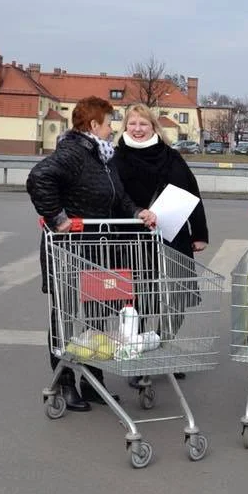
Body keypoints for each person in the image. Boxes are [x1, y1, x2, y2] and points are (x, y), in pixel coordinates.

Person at [26, 96, 157, 412]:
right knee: (66, 316)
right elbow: (38, 178)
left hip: (98, 251)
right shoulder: (72, 153)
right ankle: (65, 383)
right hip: (68, 252)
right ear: (93, 125)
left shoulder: (103, 156)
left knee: (98, 314)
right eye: (109, 122)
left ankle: (93, 382)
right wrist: (58, 219)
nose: (113, 128)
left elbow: (119, 198)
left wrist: (138, 212)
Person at [111, 103, 208, 386]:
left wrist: (199, 233)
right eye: (132, 124)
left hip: (173, 235)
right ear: (125, 127)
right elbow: (114, 197)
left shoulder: (171, 157)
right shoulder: (117, 158)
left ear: (154, 127)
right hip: (132, 237)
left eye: (143, 124)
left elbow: (192, 193)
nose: (138, 129)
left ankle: (162, 345)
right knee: (137, 299)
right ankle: (138, 354)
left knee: (176, 296)